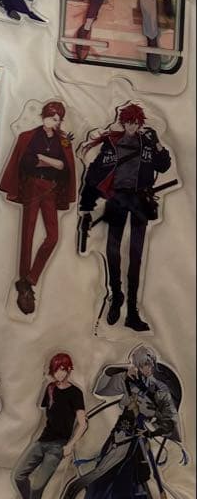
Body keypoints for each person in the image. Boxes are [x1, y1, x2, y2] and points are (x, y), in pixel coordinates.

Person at [60, 345, 187, 499]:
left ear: (153, 364)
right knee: (104, 484)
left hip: (137, 444)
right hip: (118, 438)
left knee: (129, 492)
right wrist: (115, 371)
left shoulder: (159, 389)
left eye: (147, 364)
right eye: (140, 364)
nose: (144, 368)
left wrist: (151, 431)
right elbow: (100, 389)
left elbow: (170, 421)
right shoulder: (127, 380)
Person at [77, 103, 172, 332]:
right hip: (118, 198)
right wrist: (86, 206)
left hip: (140, 199)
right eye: (128, 122)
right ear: (123, 122)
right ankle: (116, 295)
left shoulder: (147, 143)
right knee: (113, 249)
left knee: (136, 255)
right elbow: (94, 173)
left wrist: (157, 142)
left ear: (140, 123)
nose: (131, 126)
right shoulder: (112, 143)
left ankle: (132, 311)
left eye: (135, 122)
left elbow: (164, 165)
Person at [0, 100, 77, 315]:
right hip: (33, 187)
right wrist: (51, 161)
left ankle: (30, 278)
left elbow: (64, 168)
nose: (55, 121)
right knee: (28, 234)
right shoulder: (29, 137)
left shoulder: (63, 141)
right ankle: (24, 281)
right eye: (52, 117)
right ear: (44, 116)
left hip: (50, 189)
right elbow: (26, 163)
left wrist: (43, 159)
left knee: (53, 237)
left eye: (58, 119)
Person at [7, 353, 87, 499]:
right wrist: (34, 440)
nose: (59, 373)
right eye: (56, 369)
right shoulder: (50, 389)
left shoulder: (75, 393)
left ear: (69, 369)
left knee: (37, 487)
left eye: (63, 369)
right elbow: (45, 418)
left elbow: (83, 423)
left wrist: (70, 445)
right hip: (42, 441)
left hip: (58, 447)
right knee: (18, 476)